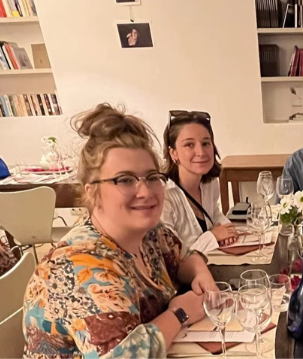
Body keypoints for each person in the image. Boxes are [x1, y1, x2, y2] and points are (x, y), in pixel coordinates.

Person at [23, 104, 217, 358]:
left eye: (151, 177)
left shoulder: (150, 233)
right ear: (92, 192)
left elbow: (183, 255)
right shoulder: (80, 266)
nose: (145, 191)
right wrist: (179, 314)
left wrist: (201, 272)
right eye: (124, 180)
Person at [161, 110, 238, 254]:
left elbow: (214, 212)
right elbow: (172, 258)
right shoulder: (163, 196)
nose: (201, 152)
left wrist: (227, 228)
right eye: (189, 145)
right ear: (173, 153)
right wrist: (213, 236)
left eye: (205, 143)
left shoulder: (209, 182)